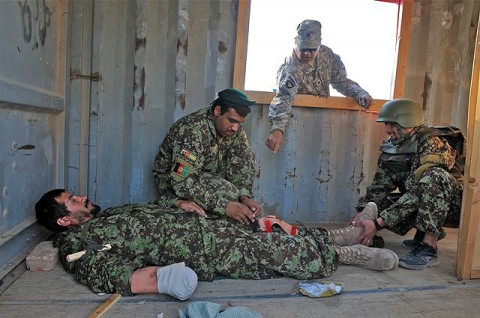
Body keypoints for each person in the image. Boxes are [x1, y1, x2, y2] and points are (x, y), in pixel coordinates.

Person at [35, 189, 399, 298]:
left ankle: (337, 235)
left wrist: (176, 204)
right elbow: (106, 273)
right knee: (273, 253)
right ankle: (344, 253)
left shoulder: (108, 214)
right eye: (73, 200)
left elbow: (149, 209)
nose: (81, 196)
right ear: (64, 219)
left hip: (207, 228)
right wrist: (161, 279)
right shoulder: (77, 243)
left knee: (269, 229)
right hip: (205, 251)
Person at [352, 98, 463, 270]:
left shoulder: (432, 143)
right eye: (386, 124)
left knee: (434, 176)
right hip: (421, 198)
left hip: (455, 208)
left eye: (391, 124)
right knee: (382, 203)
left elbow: (419, 190)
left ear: (407, 121)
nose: (387, 129)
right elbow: (379, 187)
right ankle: (371, 235)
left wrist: (379, 223)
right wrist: (363, 214)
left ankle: (429, 247)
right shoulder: (392, 146)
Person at [153, 88, 261, 225]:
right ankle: (172, 202)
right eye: (232, 121)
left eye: (239, 123)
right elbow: (181, 182)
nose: (235, 128)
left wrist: (245, 197)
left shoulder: (235, 131)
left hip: (205, 176)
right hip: (174, 181)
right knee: (229, 194)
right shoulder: (192, 131)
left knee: (235, 196)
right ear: (217, 111)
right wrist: (224, 206)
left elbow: (242, 166)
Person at [266, 19, 374, 153]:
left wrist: (360, 93)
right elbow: (284, 97)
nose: (307, 54)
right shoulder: (290, 69)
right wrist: (277, 129)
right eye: (303, 49)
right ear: (296, 44)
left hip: (321, 122)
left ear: (319, 46)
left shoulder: (327, 55)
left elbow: (340, 81)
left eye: (312, 50)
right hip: (296, 122)